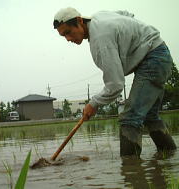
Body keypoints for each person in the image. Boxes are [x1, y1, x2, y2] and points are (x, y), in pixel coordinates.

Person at [53, 7, 176, 157]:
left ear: (79, 21)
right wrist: (136, 41)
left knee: (130, 119)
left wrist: (94, 103)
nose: (68, 39)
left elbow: (116, 84)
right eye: (63, 36)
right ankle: (169, 157)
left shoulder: (101, 40)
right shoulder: (99, 16)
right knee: (150, 116)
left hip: (153, 59)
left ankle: (131, 172)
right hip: (159, 52)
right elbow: (127, 14)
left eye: (68, 32)